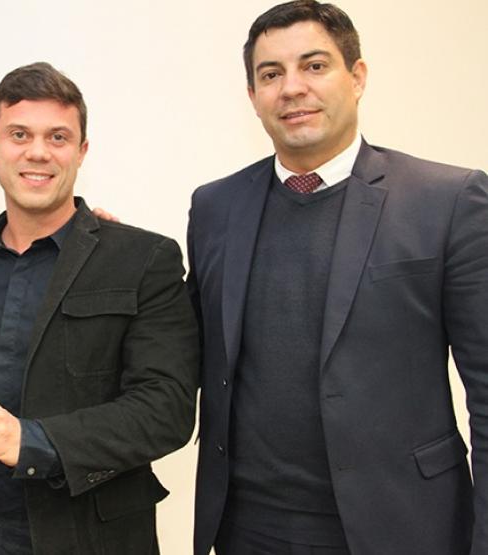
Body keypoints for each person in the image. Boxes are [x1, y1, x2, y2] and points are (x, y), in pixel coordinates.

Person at [187, 1, 488, 554]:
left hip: (402, 528)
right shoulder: (214, 208)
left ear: (358, 77)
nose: (292, 88)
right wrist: (116, 256)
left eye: (315, 66)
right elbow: (187, 349)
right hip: (247, 531)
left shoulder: (447, 201)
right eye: (270, 74)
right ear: (252, 96)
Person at [0, 62, 199, 554]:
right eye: (19, 134)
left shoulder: (142, 259)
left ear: (81, 151)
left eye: (58, 137)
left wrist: (33, 440)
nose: (38, 152)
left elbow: (166, 409)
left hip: (88, 538)